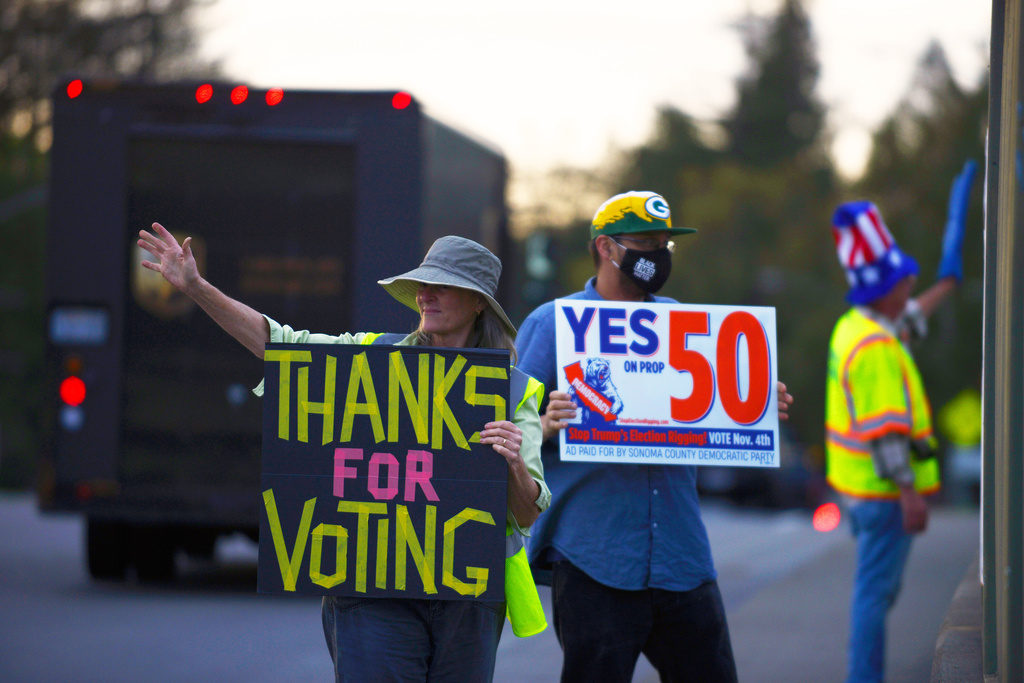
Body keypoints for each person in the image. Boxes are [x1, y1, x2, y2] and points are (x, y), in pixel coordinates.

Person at [138, 225, 551, 683]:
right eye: (422, 285)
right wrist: (196, 288)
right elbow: (279, 345)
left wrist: (513, 463)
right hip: (372, 591)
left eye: (442, 287)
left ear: (478, 303)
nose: (425, 296)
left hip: (466, 601)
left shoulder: (513, 390)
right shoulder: (367, 362)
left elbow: (527, 512)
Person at [514, 190, 793, 683]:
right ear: (605, 247)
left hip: (681, 553)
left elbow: (709, 406)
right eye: (645, 243)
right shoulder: (554, 323)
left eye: (665, 244)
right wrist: (543, 422)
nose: (658, 256)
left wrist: (754, 404)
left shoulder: (684, 322)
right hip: (595, 554)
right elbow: (506, 429)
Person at [824, 160, 976, 683]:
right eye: (904, 283)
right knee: (875, 597)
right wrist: (911, 495)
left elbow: (913, 315)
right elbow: (887, 434)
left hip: (860, 492)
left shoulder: (860, 325)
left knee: (874, 593)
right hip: (886, 495)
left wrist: (947, 285)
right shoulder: (877, 350)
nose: (911, 288)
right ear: (883, 291)